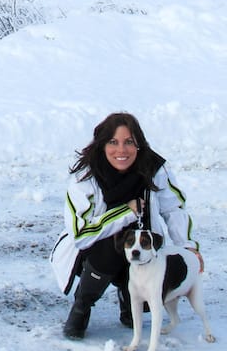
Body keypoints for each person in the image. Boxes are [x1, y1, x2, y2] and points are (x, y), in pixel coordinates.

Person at [49, 112, 203, 339]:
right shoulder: (86, 177)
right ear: (102, 145)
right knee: (109, 250)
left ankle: (131, 300)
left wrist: (188, 246)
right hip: (95, 251)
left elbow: (174, 208)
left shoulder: (153, 168)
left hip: (141, 248)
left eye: (129, 142)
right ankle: (82, 305)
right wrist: (126, 212)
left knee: (145, 250)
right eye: (113, 142)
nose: (121, 150)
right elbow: (81, 233)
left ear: (139, 145)